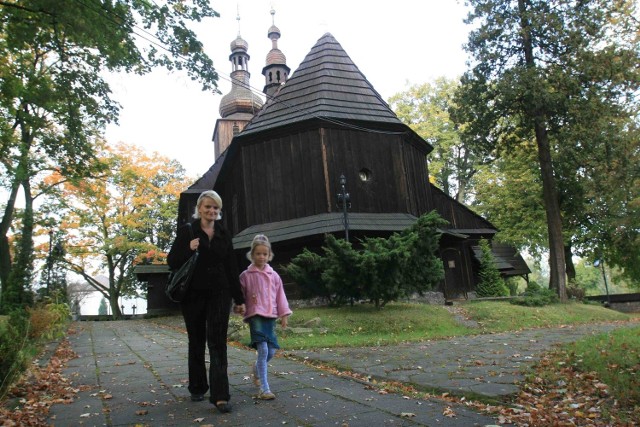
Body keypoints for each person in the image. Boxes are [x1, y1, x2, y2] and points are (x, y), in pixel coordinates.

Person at [167, 190, 246, 413]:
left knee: (218, 341)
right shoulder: (188, 231)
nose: (211, 211)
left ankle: (220, 395)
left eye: (215, 208)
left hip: (220, 293)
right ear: (199, 208)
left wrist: (238, 298)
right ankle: (197, 387)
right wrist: (187, 248)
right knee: (197, 340)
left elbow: (231, 266)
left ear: (219, 211)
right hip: (193, 294)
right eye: (208, 207)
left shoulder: (223, 233)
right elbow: (172, 261)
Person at [239, 234, 292, 400]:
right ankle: (264, 388)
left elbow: (280, 296)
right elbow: (239, 295)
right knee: (262, 350)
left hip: (270, 316)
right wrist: (239, 305)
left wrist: (284, 314)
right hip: (255, 316)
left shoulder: (274, 276)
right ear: (252, 254)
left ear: (269, 255)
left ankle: (256, 368)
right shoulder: (246, 275)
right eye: (258, 254)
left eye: (265, 254)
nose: (261, 257)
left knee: (272, 350)